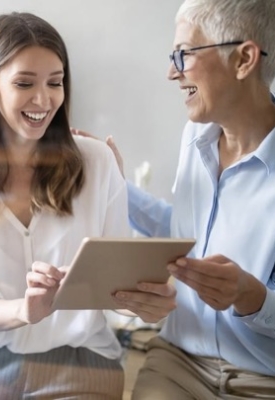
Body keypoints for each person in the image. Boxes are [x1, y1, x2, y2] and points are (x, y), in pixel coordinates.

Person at [0, 12, 177, 399]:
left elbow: (118, 287)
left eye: (55, 83)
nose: (44, 100)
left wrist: (144, 304)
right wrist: (24, 311)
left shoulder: (97, 162)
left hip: (80, 356)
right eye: (24, 83)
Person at [77, 0, 275, 398]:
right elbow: (186, 232)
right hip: (179, 362)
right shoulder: (195, 137)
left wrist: (250, 297)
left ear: (244, 59)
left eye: (183, 54)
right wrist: (114, 185)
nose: (172, 72)